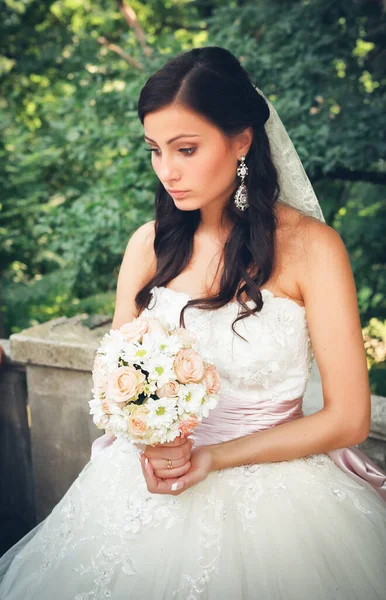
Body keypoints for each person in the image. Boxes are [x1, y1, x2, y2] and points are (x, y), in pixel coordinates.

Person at [0, 45, 385, 600]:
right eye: (154, 150)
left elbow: (349, 418)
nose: (167, 171)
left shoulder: (313, 249)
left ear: (242, 140)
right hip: (145, 484)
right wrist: (149, 437)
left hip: (282, 499)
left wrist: (213, 457)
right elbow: (116, 381)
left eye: (186, 149)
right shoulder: (149, 246)